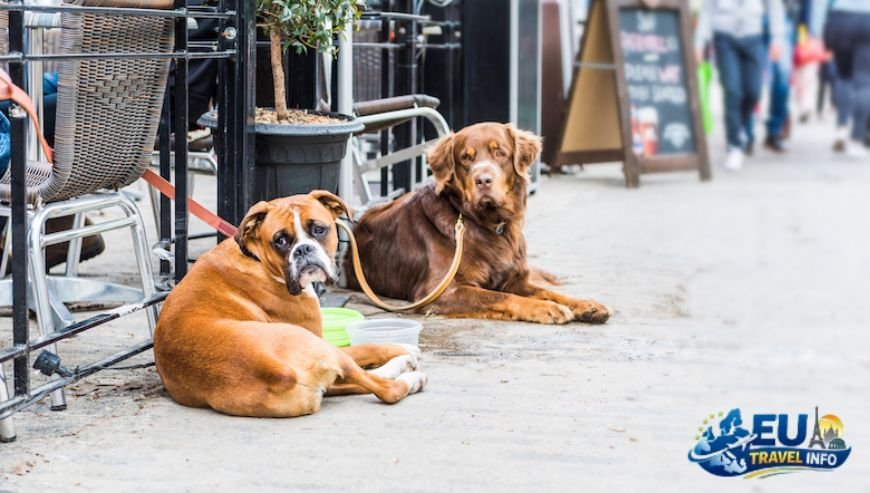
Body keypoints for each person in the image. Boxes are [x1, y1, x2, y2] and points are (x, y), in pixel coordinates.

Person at [697, 0, 787, 171]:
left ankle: (739, 129)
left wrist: (777, 37)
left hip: (753, 36)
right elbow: (707, 8)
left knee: (754, 92)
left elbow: (774, 6)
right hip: (724, 35)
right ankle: (734, 145)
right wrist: (700, 41)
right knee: (732, 91)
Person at [817, 1, 870, 158]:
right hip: (867, 19)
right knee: (864, 81)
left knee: (843, 76)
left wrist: (821, 31)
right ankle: (856, 138)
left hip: (840, 19)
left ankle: (841, 127)